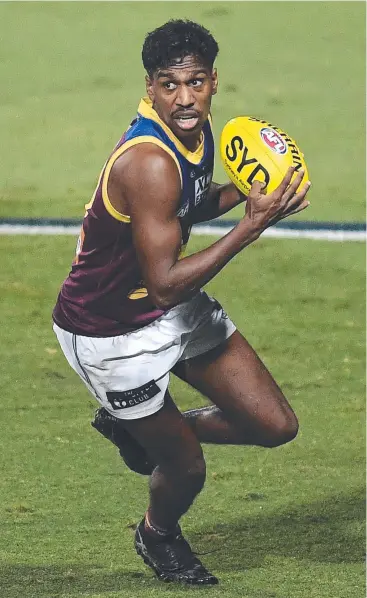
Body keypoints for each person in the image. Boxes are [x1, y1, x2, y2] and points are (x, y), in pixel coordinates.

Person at [53, 19, 311, 586]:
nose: (185, 98)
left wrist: (249, 192)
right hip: (110, 330)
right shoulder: (147, 163)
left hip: (166, 304)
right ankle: (158, 534)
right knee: (184, 466)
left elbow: (185, 208)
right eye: (169, 85)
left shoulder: (198, 127)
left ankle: (134, 429)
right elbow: (166, 279)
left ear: (214, 81)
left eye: (195, 82)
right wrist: (252, 224)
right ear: (150, 87)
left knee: (274, 425)